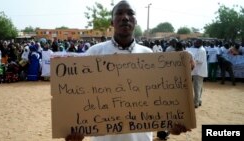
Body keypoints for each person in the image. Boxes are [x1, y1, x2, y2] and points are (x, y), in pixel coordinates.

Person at [65, 1, 190, 140]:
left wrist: (171, 124)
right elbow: (81, 96)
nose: (125, 17)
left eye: (130, 13)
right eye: (119, 13)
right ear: (111, 22)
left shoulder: (150, 56)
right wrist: (76, 127)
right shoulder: (94, 53)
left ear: (136, 21)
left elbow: (159, 101)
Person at [188, 39, 208, 108]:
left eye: (195, 43)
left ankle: (196, 103)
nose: (194, 44)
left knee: (197, 87)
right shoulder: (200, 49)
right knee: (199, 87)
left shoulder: (201, 50)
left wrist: (192, 61)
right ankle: (199, 101)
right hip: (198, 71)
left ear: (199, 43)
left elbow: (200, 61)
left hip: (198, 72)